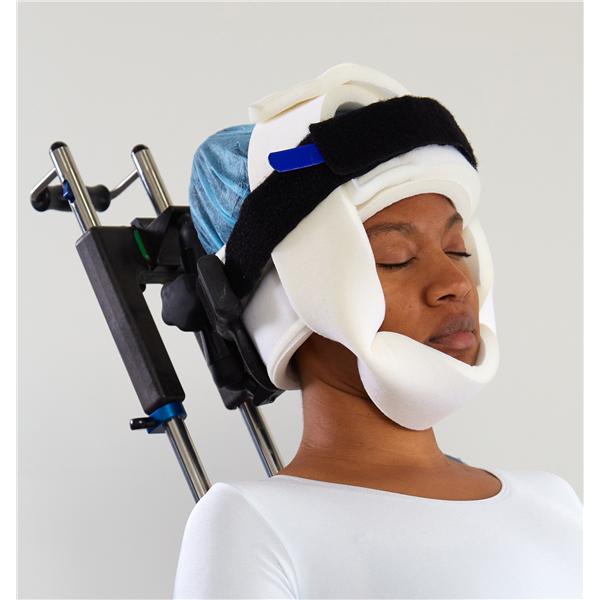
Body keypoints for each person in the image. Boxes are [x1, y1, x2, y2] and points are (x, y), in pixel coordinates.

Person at [174, 64, 582, 599]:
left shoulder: (553, 503)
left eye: (457, 249)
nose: (455, 283)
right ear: (291, 299)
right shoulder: (250, 523)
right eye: (396, 258)